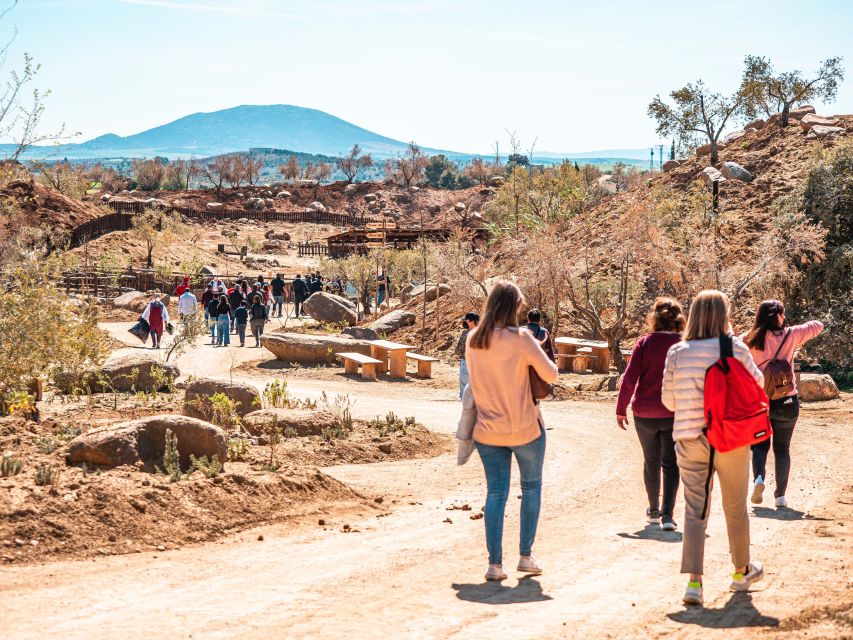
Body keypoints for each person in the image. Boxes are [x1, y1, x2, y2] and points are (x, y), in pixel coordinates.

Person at [662, 290, 765, 606]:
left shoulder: (677, 352)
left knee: (695, 510)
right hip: (730, 438)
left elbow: (669, 401)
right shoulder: (733, 348)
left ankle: (694, 584)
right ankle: (740, 572)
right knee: (735, 507)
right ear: (724, 316)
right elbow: (758, 383)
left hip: (690, 439)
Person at [465, 281, 558, 581]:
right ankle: (526, 557)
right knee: (530, 488)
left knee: (496, 493)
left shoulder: (472, 340)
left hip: (487, 429)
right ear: (514, 307)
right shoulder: (521, 339)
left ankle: (494, 564)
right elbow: (551, 375)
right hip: (525, 427)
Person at [743, 300, 824, 508]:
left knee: (759, 446)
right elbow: (818, 325)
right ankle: (780, 496)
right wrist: (795, 330)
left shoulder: (748, 339)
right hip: (787, 400)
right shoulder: (792, 334)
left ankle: (758, 478)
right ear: (778, 316)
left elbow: (731, 347)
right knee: (782, 449)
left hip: (760, 401)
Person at [616, 297, 685, 530]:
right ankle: (668, 515)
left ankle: (653, 510)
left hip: (644, 413)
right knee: (671, 463)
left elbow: (629, 378)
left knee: (651, 461)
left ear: (654, 319)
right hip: (674, 412)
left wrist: (620, 408)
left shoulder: (644, 343)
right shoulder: (683, 344)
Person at [455, 311, 479, 399]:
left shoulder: (467, 333)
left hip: (468, 362)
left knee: (466, 389)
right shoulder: (482, 333)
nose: (464, 322)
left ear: (472, 322)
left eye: (466, 321)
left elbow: (458, 350)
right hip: (477, 363)